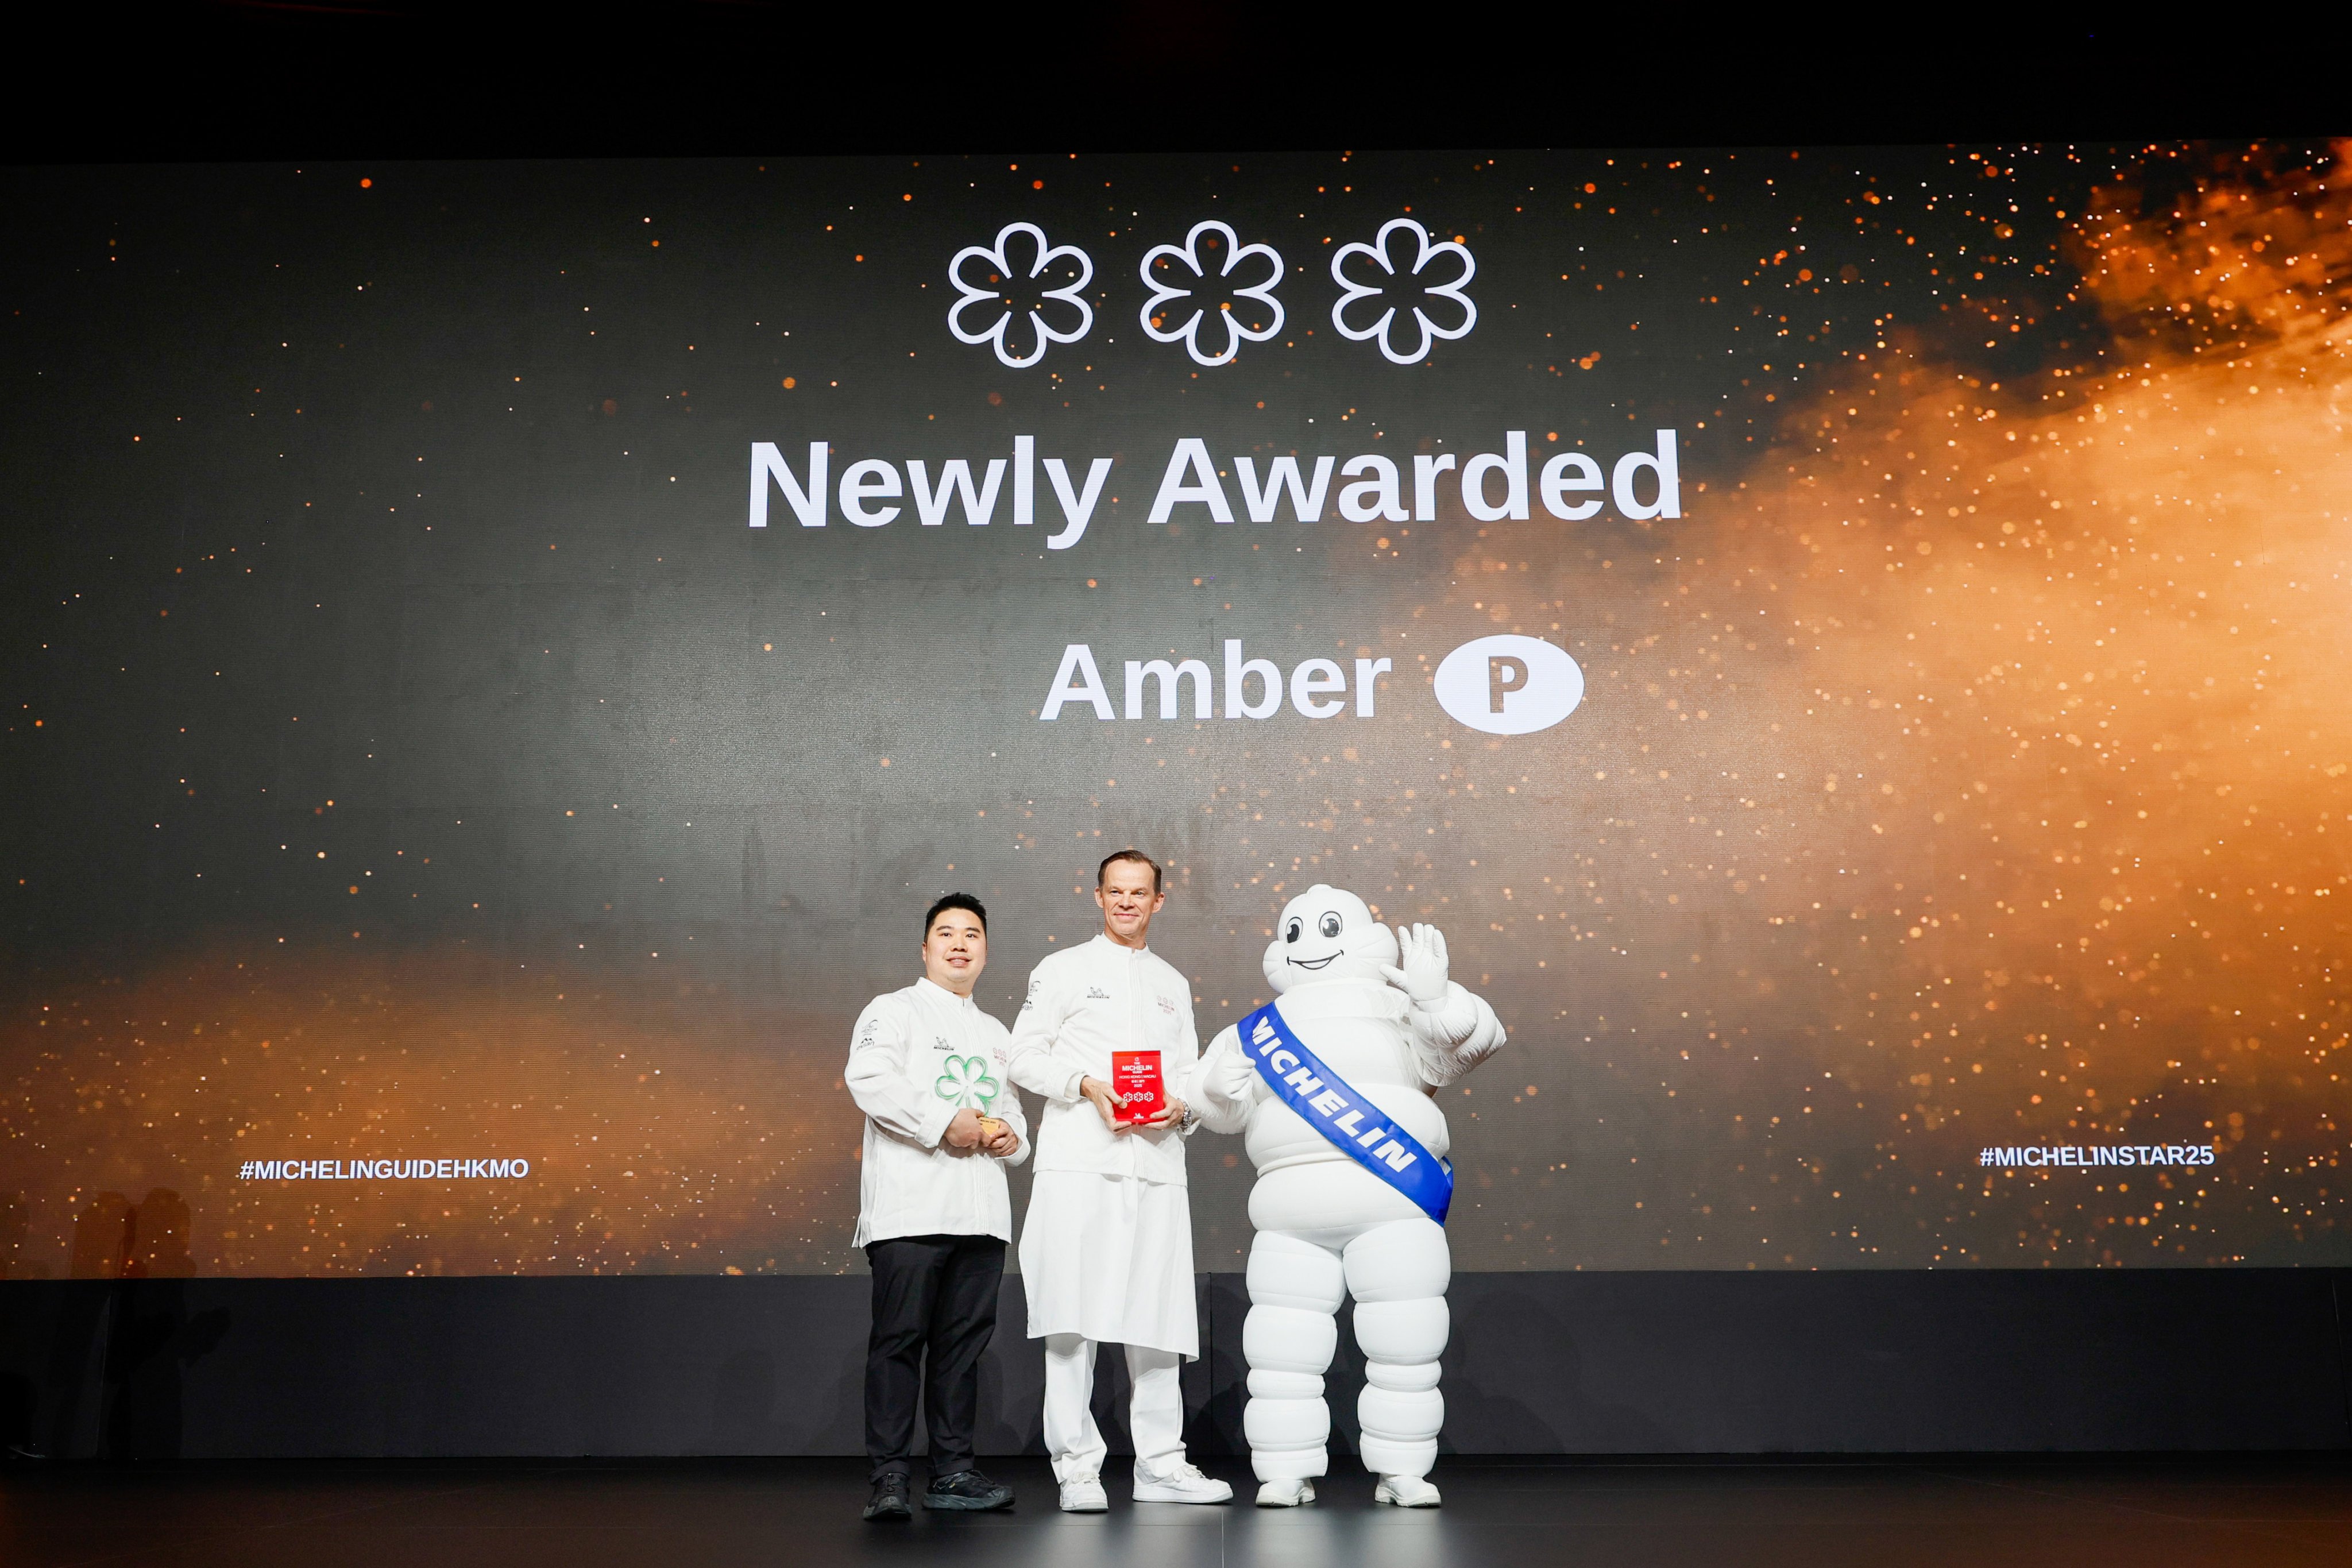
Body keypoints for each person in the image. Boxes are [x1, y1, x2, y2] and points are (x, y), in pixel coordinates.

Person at [1007, 850, 1234, 1511]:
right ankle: (1077, 1467)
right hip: (1080, 1164)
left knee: (1158, 1319)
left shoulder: (1172, 981)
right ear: (1098, 896)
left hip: (1157, 1167)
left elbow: (1188, 1073)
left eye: (1140, 893)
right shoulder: (1063, 969)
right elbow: (1023, 1055)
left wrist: (1184, 1108)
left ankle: (1161, 1464)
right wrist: (1084, 1085)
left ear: (1159, 901)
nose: (1128, 903)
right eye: (1116, 892)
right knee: (1070, 1317)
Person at [845, 893, 1028, 1521]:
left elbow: (1014, 1113)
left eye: (972, 934)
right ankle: (890, 1478)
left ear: (985, 950)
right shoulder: (892, 1011)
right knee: (899, 1342)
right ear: (925, 949)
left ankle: (952, 1472)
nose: (959, 944)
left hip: (981, 1218)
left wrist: (1010, 1136)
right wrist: (943, 1121)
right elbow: (868, 1080)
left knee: (961, 1350)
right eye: (946, 934)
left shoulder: (998, 1032)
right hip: (910, 1212)